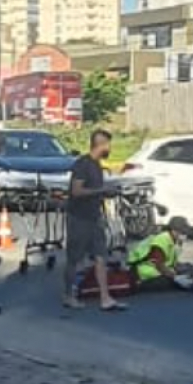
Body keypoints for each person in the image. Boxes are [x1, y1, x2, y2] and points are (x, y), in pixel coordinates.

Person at [65, 129, 127, 311]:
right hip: (79, 217)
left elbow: (94, 191)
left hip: (94, 217)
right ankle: (68, 295)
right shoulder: (83, 164)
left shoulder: (97, 165)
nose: (110, 148)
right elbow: (76, 191)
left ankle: (105, 298)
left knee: (101, 256)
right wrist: (101, 191)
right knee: (74, 259)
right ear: (101, 144)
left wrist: (107, 193)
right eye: (108, 145)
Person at [127, 216, 193, 291]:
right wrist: (175, 277)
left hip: (159, 269)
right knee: (168, 282)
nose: (185, 235)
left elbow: (170, 261)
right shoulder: (162, 240)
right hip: (145, 273)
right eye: (183, 232)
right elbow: (159, 264)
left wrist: (180, 268)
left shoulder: (174, 241)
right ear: (174, 230)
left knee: (190, 269)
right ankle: (141, 285)